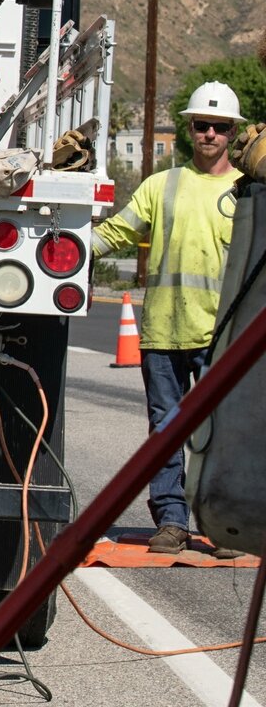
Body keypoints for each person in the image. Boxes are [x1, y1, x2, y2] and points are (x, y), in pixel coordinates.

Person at [93, 79, 246, 557]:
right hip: (164, 332)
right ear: (190, 129)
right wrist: (72, 249)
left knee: (225, 434)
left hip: (222, 336)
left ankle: (223, 527)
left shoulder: (247, 192)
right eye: (202, 125)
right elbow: (117, 233)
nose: (209, 135)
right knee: (166, 431)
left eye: (219, 128)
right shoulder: (163, 186)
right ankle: (173, 523)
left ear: (231, 134)